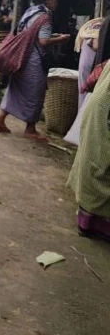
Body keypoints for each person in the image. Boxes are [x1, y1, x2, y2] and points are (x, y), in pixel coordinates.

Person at [0, 0, 70, 143]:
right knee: (36, 92)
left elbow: (32, 33)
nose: (57, 3)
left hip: (20, 58)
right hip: (33, 61)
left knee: (15, 89)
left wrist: (52, 35)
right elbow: (43, 41)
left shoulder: (31, 11)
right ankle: (30, 129)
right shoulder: (45, 17)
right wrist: (62, 39)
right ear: (48, 0)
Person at [67, 63, 110, 241]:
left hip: (100, 107)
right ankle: (97, 220)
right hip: (104, 113)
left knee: (94, 156)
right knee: (101, 161)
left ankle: (87, 217)